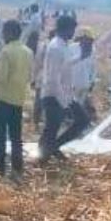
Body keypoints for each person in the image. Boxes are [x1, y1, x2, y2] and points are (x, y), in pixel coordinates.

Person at [0, 20, 31, 177]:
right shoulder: (28, 51)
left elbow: (2, 78)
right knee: (16, 135)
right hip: (19, 98)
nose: (2, 34)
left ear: (9, 32)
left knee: (0, 134)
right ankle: (17, 166)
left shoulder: (6, 51)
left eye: (4, 31)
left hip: (3, 98)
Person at [39, 15, 78, 161]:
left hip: (62, 94)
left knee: (53, 129)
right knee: (51, 130)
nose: (73, 33)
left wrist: (81, 57)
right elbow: (53, 79)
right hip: (53, 95)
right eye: (72, 29)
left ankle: (51, 149)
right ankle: (44, 157)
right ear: (66, 29)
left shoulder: (63, 45)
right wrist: (63, 103)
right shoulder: (55, 47)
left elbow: (65, 66)